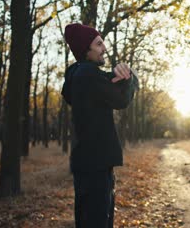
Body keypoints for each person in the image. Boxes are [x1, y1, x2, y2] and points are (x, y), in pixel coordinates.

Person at [61, 23, 139, 227]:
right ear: (85, 49)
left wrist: (122, 74)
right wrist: (130, 79)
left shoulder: (77, 74)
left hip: (86, 163)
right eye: (98, 43)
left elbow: (107, 81)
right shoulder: (88, 75)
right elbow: (121, 101)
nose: (104, 48)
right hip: (96, 165)